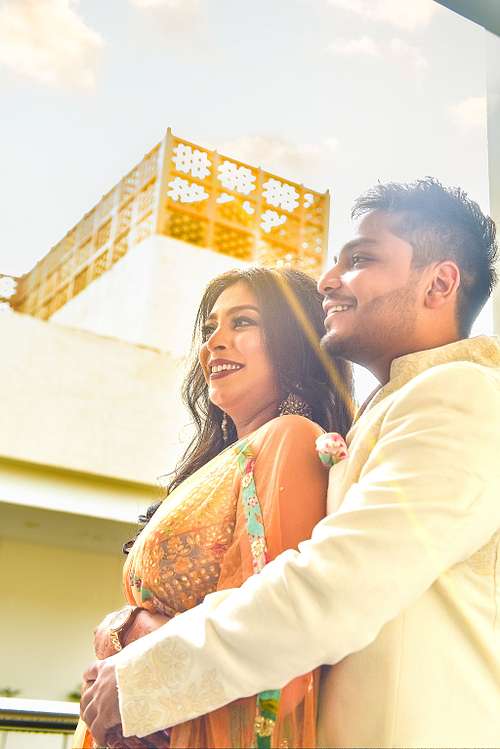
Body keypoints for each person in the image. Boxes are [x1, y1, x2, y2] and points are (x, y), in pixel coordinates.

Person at [81, 178, 500, 749]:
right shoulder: (395, 409)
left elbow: (336, 587)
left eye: (360, 260)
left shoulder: (462, 395)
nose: (328, 280)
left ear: (440, 283)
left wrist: (142, 673)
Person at [74, 266, 353, 748]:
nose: (214, 344)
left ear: (294, 342)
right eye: (209, 329)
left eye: (243, 322)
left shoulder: (290, 439)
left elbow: (269, 640)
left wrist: (126, 631)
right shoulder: (222, 463)